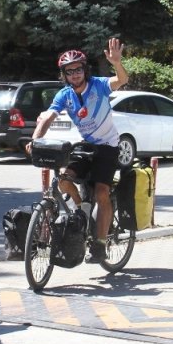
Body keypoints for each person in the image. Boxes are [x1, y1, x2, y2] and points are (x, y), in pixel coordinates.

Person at [25, 38, 129, 264]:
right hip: (86, 144)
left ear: (85, 70)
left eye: (78, 69)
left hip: (108, 146)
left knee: (102, 191)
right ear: (64, 75)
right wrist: (35, 140)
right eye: (69, 71)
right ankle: (82, 209)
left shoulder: (99, 85)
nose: (74, 74)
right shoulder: (64, 95)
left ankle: (100, 244)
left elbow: (122, 80)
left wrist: (117, 63)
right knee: (63, 180)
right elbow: (48, 117)